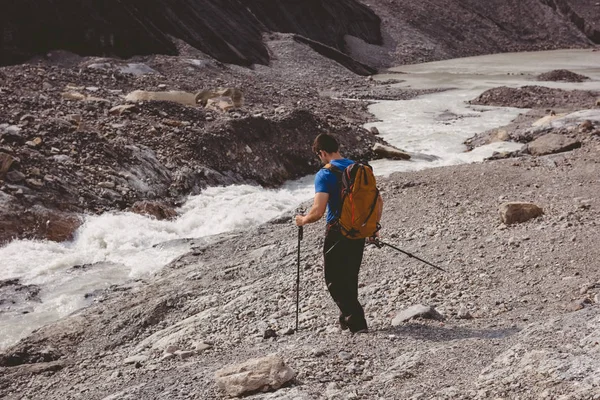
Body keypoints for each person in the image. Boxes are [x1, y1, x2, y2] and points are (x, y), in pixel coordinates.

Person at [295, 133, 382, 334]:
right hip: (359, 230)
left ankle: (357, 323)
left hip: (337, 232)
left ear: (322, 152)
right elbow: (378, 201)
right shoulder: (360, 169)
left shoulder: (325, 174)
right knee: (350, 277)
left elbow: (317, 212)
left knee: (334, 280)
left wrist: (302, 220)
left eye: (319, 156)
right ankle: (346, 320)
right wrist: (373, 228)